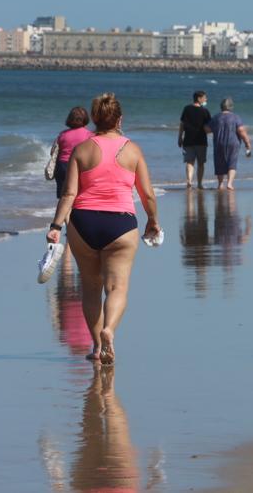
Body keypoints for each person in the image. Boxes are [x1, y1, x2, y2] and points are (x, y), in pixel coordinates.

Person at [47, 93, 160, 365]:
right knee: (117, 287)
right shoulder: (132, 150)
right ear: (120, 119)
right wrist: (152, 220)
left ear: (94, 119)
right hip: (120, 224)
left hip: (83, 223)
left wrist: (55, 225)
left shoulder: (82, 149)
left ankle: (97, 346)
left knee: (90, 287)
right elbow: (147, 194)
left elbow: (69, 193)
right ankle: (109, 330)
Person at [50, 107, 93, 271]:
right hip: (79, 165)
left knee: (64, 196)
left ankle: (68, 227)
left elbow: (53, 152)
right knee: (78, 196)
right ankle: (75, 228)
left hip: (62, 166)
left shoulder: (62, 134)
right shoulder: (89, 134)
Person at [210, 97, 252, 190]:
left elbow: (207, 129)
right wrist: (247, 143)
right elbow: (241, 131)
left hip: (219, 142)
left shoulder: (216, 117)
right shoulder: (235, 117)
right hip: (233, 142)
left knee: (219, 162)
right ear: (231, 107)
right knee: (232, 162)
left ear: (221, 107)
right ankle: (229, 183)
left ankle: (220, 184)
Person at [178, 91, 211, 189]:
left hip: (188, 140)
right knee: (201, 163)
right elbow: (208, 127)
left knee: (189, 162)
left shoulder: (187, 109)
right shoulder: (205, 111)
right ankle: (200, 184)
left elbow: (182, 124)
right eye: (204, 98)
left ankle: (189, 181)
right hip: (201, 141)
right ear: (199, 98)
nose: (206, 99)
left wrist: (180, 137)